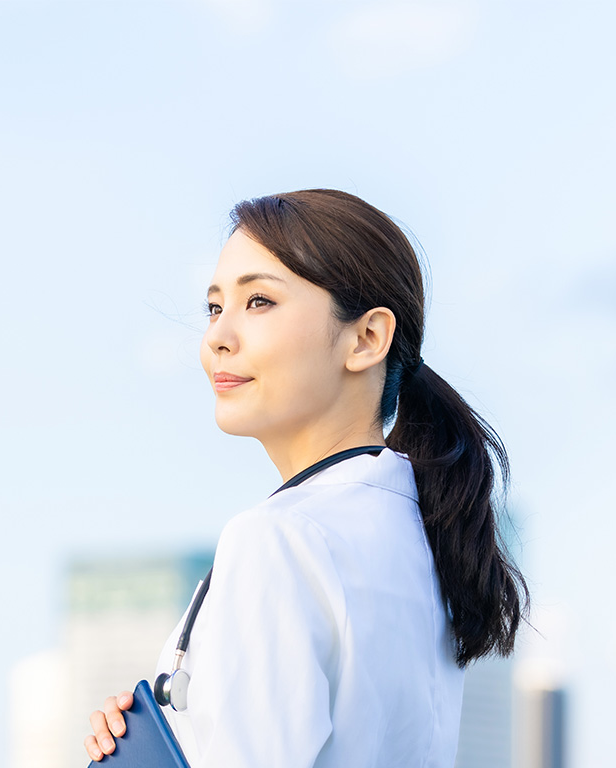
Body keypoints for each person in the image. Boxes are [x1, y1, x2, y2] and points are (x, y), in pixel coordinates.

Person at [83, 189, 528, 767]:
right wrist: (167, 733)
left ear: (367, 338)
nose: (218, 337)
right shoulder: (422, 534)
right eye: (215, 308)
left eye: (260, 301)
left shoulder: (278, 538)